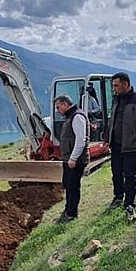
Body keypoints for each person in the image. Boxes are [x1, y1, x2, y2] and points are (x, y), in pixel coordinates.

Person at [104, 72, 136, 221]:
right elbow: (112, 120)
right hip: (116, 144)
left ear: (126, 84)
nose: (114, 89)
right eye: (113, 86)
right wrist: (107, 137)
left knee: (129, 176)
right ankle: (118, 197)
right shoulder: (116, 99)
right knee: (116, 173)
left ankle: (129, 204)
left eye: (116, 86)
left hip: (131, 145)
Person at [54, 94, 89, 223]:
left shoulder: (77, 117)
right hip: (69, 158)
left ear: (65, 104)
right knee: (68, 184)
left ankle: (72, 213)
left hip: (75, 160)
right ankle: (68, 210)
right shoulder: (70, 116)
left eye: (58, 107)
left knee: (73, 186)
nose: (57, 111)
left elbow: (81, 140)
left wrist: (73, 158)